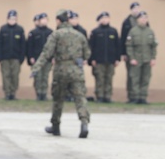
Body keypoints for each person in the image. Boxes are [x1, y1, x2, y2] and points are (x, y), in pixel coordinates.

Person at [30, 9, 91, 138]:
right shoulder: (79, 35)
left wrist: (36, 69)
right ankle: (84, 123)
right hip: (76, 71)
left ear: (58, 20)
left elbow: (46, 53)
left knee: (58, 99)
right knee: (80, 98)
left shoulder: (56, 35)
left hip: (61, 71)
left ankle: (56, 126)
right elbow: (87, 54)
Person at [125, 10, 158, 105]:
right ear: (137, 20)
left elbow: (153, 46)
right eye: (142, 18)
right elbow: (129, 46)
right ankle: (135, 97)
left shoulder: (150, 31)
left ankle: (143, 97)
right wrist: (132, 58)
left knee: (145, 79)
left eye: (145, 18)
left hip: (147, 59)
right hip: (137, 59)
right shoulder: (133, 31)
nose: (144, 20)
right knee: (135, 79)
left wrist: (153, 58)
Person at [88, 12, 120, 103]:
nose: (105, 20)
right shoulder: (95, 32)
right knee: (100, 78)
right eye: (103, 18)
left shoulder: (113, 31)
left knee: (109, 78)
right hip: (98, 60)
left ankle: (108, 96)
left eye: (107, 18)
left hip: (111, 60)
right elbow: (91, 47)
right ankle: (100, 96)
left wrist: (117, 59)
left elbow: (117, 46)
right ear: (100, 20)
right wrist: (92, 59)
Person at [0, 9, 25, 100]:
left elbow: (23, 45)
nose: (12, 20)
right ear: (7, 19)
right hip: (5, 57)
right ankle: (7, 93)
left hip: (16, 58)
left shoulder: (19, 29)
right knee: (6, 75)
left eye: (14, 19)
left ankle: (13, 93)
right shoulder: (3, 29)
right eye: (11, 18)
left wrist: (21, 57)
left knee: (15, 76)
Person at [26, 13, 53, 101]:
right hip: (37, 58)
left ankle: (44, 94)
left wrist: (53, 57)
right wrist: (31, 57)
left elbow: (54, 47)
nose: (45, 20)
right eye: (43, 19)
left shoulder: (51, 32)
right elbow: (29, 46)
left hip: (47, 59)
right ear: (39, 21)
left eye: (46, 19)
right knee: (38, 77)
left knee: (45, 77)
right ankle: (38, 93)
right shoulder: (33, 33)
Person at [120, 1, 143, 102]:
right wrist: (123, 53)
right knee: (131, 75)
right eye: (134, 8)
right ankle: (131, 96)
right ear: (131, 10)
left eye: (138, 8)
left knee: (141, 76)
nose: (136, 10)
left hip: (141, 54)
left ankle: (140, 96)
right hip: (130, 53)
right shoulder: (127, 22)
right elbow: (123, 39)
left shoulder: (143, 20)